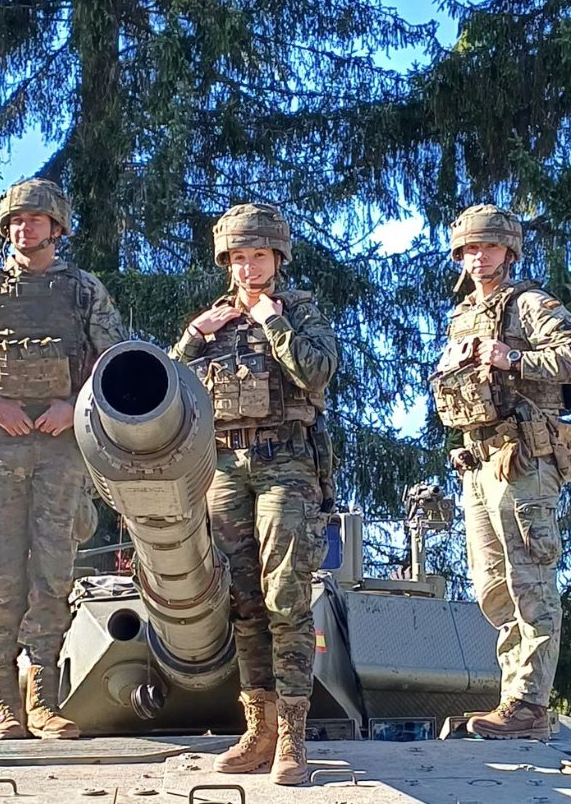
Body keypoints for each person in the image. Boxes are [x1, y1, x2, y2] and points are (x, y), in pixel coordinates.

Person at [0, 178, 125, 740]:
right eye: (15, 221)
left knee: (53, 574)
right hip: (1, 447)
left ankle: (42, 700)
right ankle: (3, 704)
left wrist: (73, 404)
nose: (23, 228)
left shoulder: (85, 292)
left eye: (35, 219)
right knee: (1, 577)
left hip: (63, 450)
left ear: (56, 228)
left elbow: (116, 363)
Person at [170, 203, 338, 784]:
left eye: (257, 256)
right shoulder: (211, 324)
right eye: (238, 258)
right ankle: (258, 730)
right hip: (224, 469)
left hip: (286, 465)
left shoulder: (302, 312)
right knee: (242, 603)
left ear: (277, 258)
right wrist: (193, 338)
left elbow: (316, 374)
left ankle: (293, 736)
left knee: (285, 599)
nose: (247, 268)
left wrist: (275, 322)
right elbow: (166, 391)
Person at [430, 205, 571, 740]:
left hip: (524, 462)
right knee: (491, 589)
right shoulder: (462, 316)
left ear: (509, 250)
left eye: (488, 247)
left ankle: (529, 704)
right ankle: (513, 700)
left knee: (531, 581)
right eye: (469, 250)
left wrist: (514, 360)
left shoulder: (531, 304)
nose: (478, 258)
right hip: (479, 463)